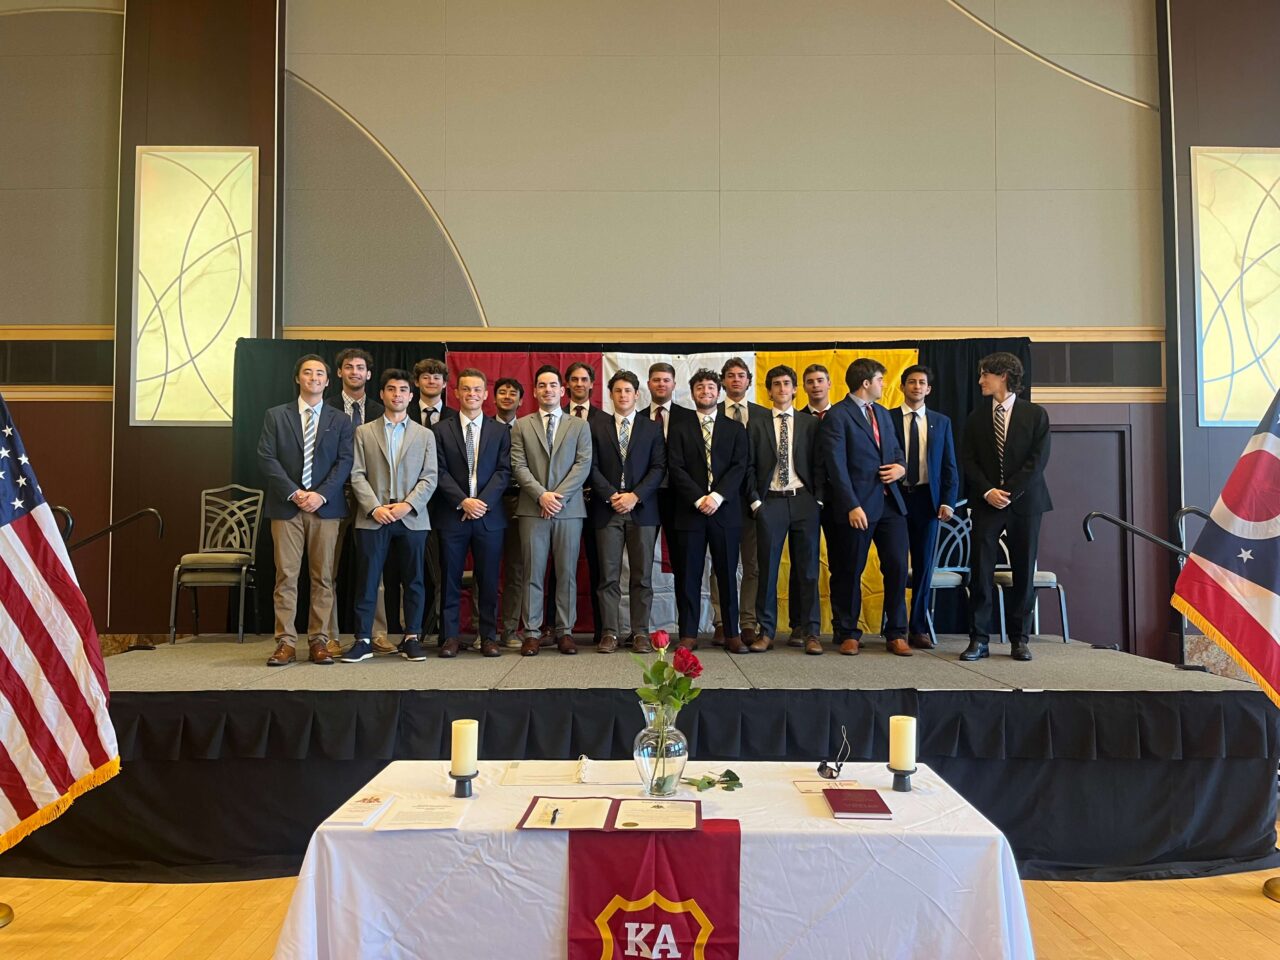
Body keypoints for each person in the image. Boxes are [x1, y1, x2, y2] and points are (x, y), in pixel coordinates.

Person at [257, 355, 353, 666]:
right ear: (298, 378)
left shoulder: (340, 420)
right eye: (307, 373)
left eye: (320, 374)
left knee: (323, 577)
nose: (313, 377)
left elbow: (345, 461)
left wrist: (320, 495)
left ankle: (319, 641)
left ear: (328, 381)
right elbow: (266, 458)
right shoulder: (276, 415)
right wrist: (296, 493)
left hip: (325, 509)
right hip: (286, 508)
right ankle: (285, 642)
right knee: (286, 576)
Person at [340, 369, 438, 663]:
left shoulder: (425, 435)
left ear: (411, 395)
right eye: (391, 389)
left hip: (412, 516)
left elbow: (430, 477)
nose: (397, 395)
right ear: (381, 394)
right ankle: (363, 639)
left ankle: (412, 637)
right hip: (374, 516)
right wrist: (375, 507)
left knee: (414, 580)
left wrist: (407, 505)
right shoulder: (363, 432)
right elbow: (356, 474)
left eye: (403, 390)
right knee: (368, 580)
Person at [960, 352, 1052, 663]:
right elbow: (968, 460)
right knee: (981, 571)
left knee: (1023, 571)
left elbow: (1036, 462)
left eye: (985, 375)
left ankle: (1019, 639)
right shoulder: (975, 417)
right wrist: (988, 491)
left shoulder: (1035, 415)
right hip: (987, 504)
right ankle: (979, 639)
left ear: (1003, 376)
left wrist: (1008, 492)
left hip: (1025, 503)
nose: (980, 381)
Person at [819, 358, 910, 656]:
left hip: (890, 505)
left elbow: (897, 453)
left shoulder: (883, 414)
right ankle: (848, 632)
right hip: (857, 507)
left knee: (896, 567)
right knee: (849, 570)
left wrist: (901, 469)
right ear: (866, 383)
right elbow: (836, 465)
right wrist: (851, 505)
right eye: (881, 380)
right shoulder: (838, 416)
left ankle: (896, 632)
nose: (885, 384)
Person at [509, 365, 592, 655]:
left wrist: (557, 497)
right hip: (533, 509)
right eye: (542, 385)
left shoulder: (579, 425)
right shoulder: (521, 424)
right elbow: (518, 465)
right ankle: (531, 631)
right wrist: (541, 495)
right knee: (532, 571)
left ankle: (564, 631)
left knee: (567, 572)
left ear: (562, 389)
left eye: (553, 385)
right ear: (534, 391)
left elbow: (583, 465)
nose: (548, 390)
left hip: (568, 510)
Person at [667, 368, 748, 652]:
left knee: (727, 574)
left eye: (711, 387)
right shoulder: (679, 429)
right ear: (692, 394)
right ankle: (688, 633)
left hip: (725, 512)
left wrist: (716, 497)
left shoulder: (735, 429)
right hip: (690, 512)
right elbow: (675, 468)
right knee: (688, 574)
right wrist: (699, 498)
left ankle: (731, 632)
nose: (705, 392)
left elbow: (740, 467)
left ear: (720, 391)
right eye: (699, 388)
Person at [432, 368, 511, 659]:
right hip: (452, 515)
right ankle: (450, 637)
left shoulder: (500, 430)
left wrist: (480, 503)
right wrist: (463, 501)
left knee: (489, 581)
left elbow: (504, 472)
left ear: (485, 394)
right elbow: (438, 471)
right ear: (456, 393)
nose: (472, 394)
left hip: (489, 518)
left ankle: (488, 636)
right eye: (466, 389)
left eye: (477, 389)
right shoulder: (440, 430)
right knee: (450, 579)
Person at [746, 365, 824, 654]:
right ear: (769, 391)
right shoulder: (756, 423)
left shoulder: (809, 423)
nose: (781, 389)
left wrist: (818, 500)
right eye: (776, 384)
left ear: (795, 389)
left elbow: (819, 464)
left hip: (804, 501)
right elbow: (749, 465)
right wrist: (756, 501)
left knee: (808, 571)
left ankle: (810, 632)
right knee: (767, 569)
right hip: (771, 502)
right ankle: (766, 631)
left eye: (787, 384)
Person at [589, 369, 666, 654]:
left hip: (642, 510)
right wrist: (612, 495)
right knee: (608, 575)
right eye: (618, 391)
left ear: (637, 394)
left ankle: (640, 632)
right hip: (606, 509)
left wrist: (635, 496)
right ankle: (610, 632)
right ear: (611, 395)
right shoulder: (596, 426)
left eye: (628, 391)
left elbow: (659, 468)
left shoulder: (651, 428)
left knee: (642, 576)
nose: (623, 395)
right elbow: (591, 467)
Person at [325, 348, 389, 653]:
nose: (354, 372)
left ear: (369, 374)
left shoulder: (381, 410)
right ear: (339, 373)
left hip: (372, 499)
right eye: (348, 367)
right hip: (333, 497)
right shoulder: (324, 408)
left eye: (360, 367)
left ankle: (376, 633)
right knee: (328, 569)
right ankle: (329, 636)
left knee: (373, 568)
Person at [892, 364, 960, 649]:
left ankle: (917, 627)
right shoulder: (888, 418)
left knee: (923, 567)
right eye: (911, 382)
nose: (916, 386)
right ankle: (893, 628)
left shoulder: (941, 422)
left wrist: (948, 501)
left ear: (929, 389)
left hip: (927, 501)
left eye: (922, 383)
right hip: (894, 500)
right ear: (902, 387)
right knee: (895, 566)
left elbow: (949, 466)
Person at [711, 357, 768, 646]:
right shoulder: (710, 413)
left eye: (741, 375)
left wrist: (758, 497)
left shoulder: (763, 415)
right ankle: (722, 622)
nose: (735, 380)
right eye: (730, 375)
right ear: (723, 381)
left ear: (748, 380)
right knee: (722, 564)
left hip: (754, 503)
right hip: (721, 501)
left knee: (752, 565)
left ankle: (747, 622)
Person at [406, 358, 456, 644]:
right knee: (411, 570)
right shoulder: (403, 411)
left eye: (437, 377)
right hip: (407, 505)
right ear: (417, 382)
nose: (432, 381)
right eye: (426, 376)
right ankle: (408, 629)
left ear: (445, 383)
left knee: (442, 569)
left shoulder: (454, 416)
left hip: (444, 506)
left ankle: (439, 629)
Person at [786, 362, 834, 644]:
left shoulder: (843, 415)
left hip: (841, 501)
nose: (815, 385)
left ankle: (843, 627)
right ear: (801, 388)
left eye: (820, 380)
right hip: (806, 501)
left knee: (840, 564)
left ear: (829, 384)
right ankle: (799, 624)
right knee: (801, 563)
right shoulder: (796, 419)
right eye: (810, 381)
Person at [563, 361, 610, 644]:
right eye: (574, 380)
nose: (579, 384)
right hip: (562, 503)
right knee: (560, 565)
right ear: (566, 384)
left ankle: (602, 628)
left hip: (597, 504)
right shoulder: (555, 418)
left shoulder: (604, 420)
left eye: (584, 379)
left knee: (599, 565)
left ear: (592, 384)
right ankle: (556, 628)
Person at [493, 377, 526, 648]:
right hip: (489, 504)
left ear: (521, 400)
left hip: (520, 503)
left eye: (512, 393)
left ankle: (510, 629)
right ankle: (486, 630)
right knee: (487, 568)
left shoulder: (526, 428)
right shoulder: (484, 427)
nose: (507, 396)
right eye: (502, 392)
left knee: (516, 569)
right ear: (494, 398)